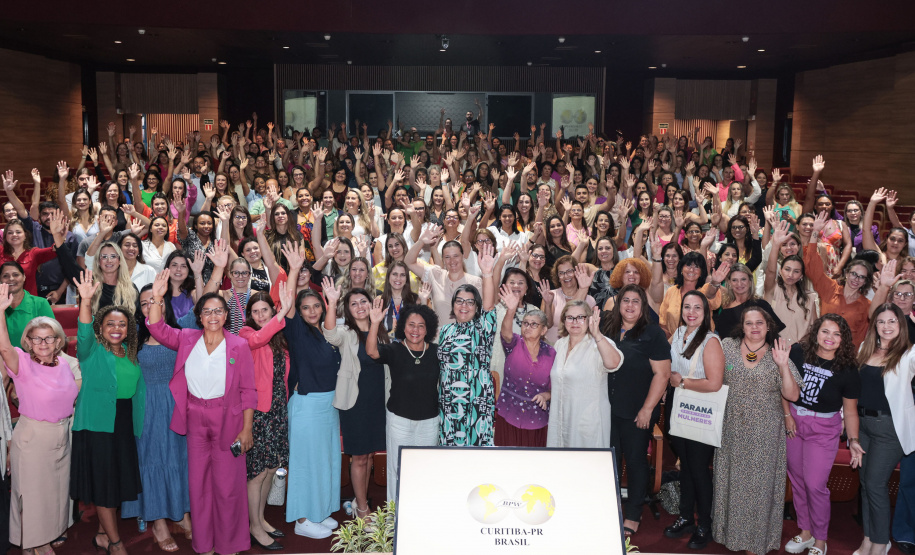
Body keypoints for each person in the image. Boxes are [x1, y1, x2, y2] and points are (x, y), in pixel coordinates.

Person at [147, 272, 257, 555]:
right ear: (198, 316)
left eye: (218, 310)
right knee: (199, 485)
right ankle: (204, 544)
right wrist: (158, 298)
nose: (212, 315)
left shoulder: (239, 345)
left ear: (225, 315)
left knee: (228, 485)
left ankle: (229, 544)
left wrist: (246, 429)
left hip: (228, 420)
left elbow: (248, 390)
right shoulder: (186, 338)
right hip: (195, 417)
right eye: (206, 311)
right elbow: (158, 330)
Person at [713, 307, 801, 555]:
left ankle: (755, 541)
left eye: (759, 323)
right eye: (749, 323)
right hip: (731, 426)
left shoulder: (778, 352)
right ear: (742, 326)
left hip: (765, 430)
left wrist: (783, 366)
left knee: (760, 487)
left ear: (768, 326)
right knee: (732, 482)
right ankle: (731, 535)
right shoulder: (727, 346)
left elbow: (792, 394)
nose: (754, 327)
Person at [70, 270, 145, 555]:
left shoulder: (130, 352)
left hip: (123, 423)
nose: (116, 328)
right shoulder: (91, 351)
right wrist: (86, 302)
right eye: (110, 323)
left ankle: (102, 534)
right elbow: (84, 331)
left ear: (129, 329)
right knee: (104, 486)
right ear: (101, 327)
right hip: (97, 426)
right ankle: (116, 543)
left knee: (114, 483)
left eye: (122, 324)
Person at [0, 294, 78, 555]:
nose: (43, 343)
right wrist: (0, 311)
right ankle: (35, 545)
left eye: (49, 337)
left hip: (61, 436)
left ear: (58, 341)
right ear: (28, 341)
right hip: (33, 437)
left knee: (55, 493)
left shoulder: (66, 364)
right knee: (32, 496)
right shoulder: (21, 362)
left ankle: (44, 539)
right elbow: (4, 348)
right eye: (37, 338)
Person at [783, 314, 862, 555]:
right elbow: (782, 385)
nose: (830, 338)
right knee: (797, 480)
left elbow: (850, 412)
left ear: (843, 339)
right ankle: (805, 532)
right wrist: (787, 416)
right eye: (825, 331)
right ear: (816, 332)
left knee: (815, 484)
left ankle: (820, 539)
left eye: (837, 334)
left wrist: (854, 440)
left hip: (824, 429)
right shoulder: (798, 352)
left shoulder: (848, 369)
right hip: (794, 422)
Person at [120, 285, 192, 552]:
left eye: (155, 299)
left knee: (178, 459)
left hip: (177, 405)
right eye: (144, 302)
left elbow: (206, 302)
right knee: (152, 462)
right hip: (146, 407)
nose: (150, 305)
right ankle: (158, 521)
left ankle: (182, 512)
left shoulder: (181, 331)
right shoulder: (134, 338)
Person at [601, 284, 671, 537]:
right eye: (625, 301)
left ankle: (633, 514)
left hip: (637, 411)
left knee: (635, 462)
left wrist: (647, 409)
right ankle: (610, 506)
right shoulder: (608, 329)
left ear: (643, 308)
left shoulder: (653, 334)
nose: (629, 306)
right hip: (607, 409)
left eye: (635, 302)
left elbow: (662, 375)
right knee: (609, 459)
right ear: (618, 305)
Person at [664, 291, 724, 550]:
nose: (691, 312)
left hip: (699, 412)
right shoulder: (677, 333)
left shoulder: (710, 340)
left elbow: (715, 383)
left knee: (699, 469)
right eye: (687, 307)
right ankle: (687, 516)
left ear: (706, 311)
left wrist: (683, 382)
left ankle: (706, 525)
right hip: (677, 407)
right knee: (686, 467)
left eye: (697, 308)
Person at [322, 280, 387, 519]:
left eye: (363, 302)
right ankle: (362, 509)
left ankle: (361, 500)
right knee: (359, 456)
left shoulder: (380, 330)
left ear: (371, 304)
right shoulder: (346, 333)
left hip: (377, 402)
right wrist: (331, 302)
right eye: (353, 304)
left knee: (369, 456)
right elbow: (328, 333)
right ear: (347, 310)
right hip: (355, 404)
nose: (359, 306)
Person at [855, 304, 915, 555]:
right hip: (862, 425)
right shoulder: (864, 349)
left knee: (875, 483)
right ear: (875, 325)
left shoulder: (910, 353)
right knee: (865, 484)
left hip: (889, 428)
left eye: (893, 321)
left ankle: (881, 542)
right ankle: (869, 537)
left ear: (901, 324)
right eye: (882, 321)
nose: (887, 326)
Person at [366, 300, 441, 502]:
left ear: (428, 329)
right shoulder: (395, 350)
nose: (415, 330)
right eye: (411, 324)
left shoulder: (436, 352)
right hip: (398, 421)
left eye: (421, 325)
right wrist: (374, 323)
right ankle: (394, 520)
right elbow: (372, 351)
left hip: (429, 423)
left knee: (424, 470)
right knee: (396, 470)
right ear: (403, 327)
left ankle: (419, 517)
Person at [239, 288, 294, 550]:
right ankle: (254, 527)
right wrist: (280, 314)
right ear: (249, 315)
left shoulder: (279, 337)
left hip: (278, 410)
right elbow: (258, 339)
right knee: (257, 472)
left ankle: (259, 519)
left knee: (272, 467)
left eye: (265, 310)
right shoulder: (246, 333)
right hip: (258, 412)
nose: (260, 315)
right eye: (255, 311)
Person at [284, 289, 341, 539]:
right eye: (305, 307)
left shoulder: (328, 331)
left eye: (316, 306)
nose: (311, 311)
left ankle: (319, 511)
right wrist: (294, 270)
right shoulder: (297, 331)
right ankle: (302, 519)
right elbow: (290, 310)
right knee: (305, 464)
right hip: (307, 406)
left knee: (326, 461)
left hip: (329, 404)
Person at [437, 243, 497, 446]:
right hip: (449, 404)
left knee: (477, 455)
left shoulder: (483, 327)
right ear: (453, 305)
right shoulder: (445, 331)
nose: (464, 306)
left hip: (476, 402)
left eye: (470, 302)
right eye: (459, 301)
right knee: (450, 457)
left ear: (476, 306)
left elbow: (489, 306)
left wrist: (487, 273)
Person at [546, 300, 623, 448]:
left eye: (580, 317)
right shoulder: (560, 345)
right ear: (564, 320)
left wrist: (597, 334)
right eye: (570, 317)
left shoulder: (599, 344)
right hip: (560, 423)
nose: (575, 322)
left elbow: (614, 364)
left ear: (589, 319)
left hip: (587, 427)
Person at [494, 285, 554, 447]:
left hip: (536, 421)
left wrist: (546, 396)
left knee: (532, 466)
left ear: (544, 330)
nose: (528, 327)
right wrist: (511, 309)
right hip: (508, 415)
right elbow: (505, 332)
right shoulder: (514, 343)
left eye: (534, 324)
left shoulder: (552, 354)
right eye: (525, 323)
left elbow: (557, 386)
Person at [806, 212, 873, 345]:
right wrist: (815, 232)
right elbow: (812, 267)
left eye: (861, 277)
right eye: (854, 274)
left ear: (865, 281)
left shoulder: (867, 305)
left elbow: (861, 337)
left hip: (845, 359)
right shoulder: (830, 288)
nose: (856, 279)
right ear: (847, 273)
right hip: (819, 349)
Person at [406, 225, 483, 329]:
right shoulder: (436, 274)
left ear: (463, 255)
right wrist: (421, 241)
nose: (452, 261)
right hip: (440, 341)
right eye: (447, 257)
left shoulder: (475, 282)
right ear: (443, 259)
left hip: (466, 341)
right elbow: (409, 262)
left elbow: (481, 316)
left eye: (456, 256)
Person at [765, 221, 819, 343]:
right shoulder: (772, 290)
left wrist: (801, 346)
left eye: (796, 271)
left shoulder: (809, 298)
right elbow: (770, 271)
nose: (790, 275)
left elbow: (815, 328)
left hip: (799, 352)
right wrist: (776, 244)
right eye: (787, 269)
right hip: (772, 349)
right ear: (780, 271)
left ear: (801, 275)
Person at [713, 263, 785, 338]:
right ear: (729, 283)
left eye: (743, 279)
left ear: (750, 282)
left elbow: (775, 332)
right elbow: (725, 341)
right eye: (734, 280)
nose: (739, 284)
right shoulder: (725, 310)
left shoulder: (761, 305)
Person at [0, 261, 54, 349]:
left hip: (33, 359)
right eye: (5, 276)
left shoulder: (40, 304)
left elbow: (52, 337)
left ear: (24, 277)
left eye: (16, 275)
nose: (11, 278)